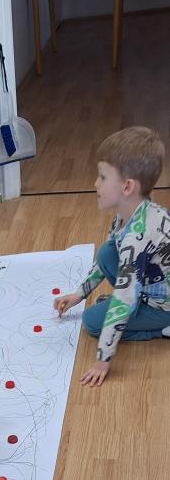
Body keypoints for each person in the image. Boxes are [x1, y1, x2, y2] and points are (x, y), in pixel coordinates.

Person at [54, 126, 170, 386]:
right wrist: (79, 294)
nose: (95, 184)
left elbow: (124, 299)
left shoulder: (137, 236)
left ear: (127, 187)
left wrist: (102, 361)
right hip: (152, 283)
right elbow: (108, 257)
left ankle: (162, 329)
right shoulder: (127, 214)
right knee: (107, 251)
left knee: (92, 322)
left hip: (164, 307)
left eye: (103, 177)